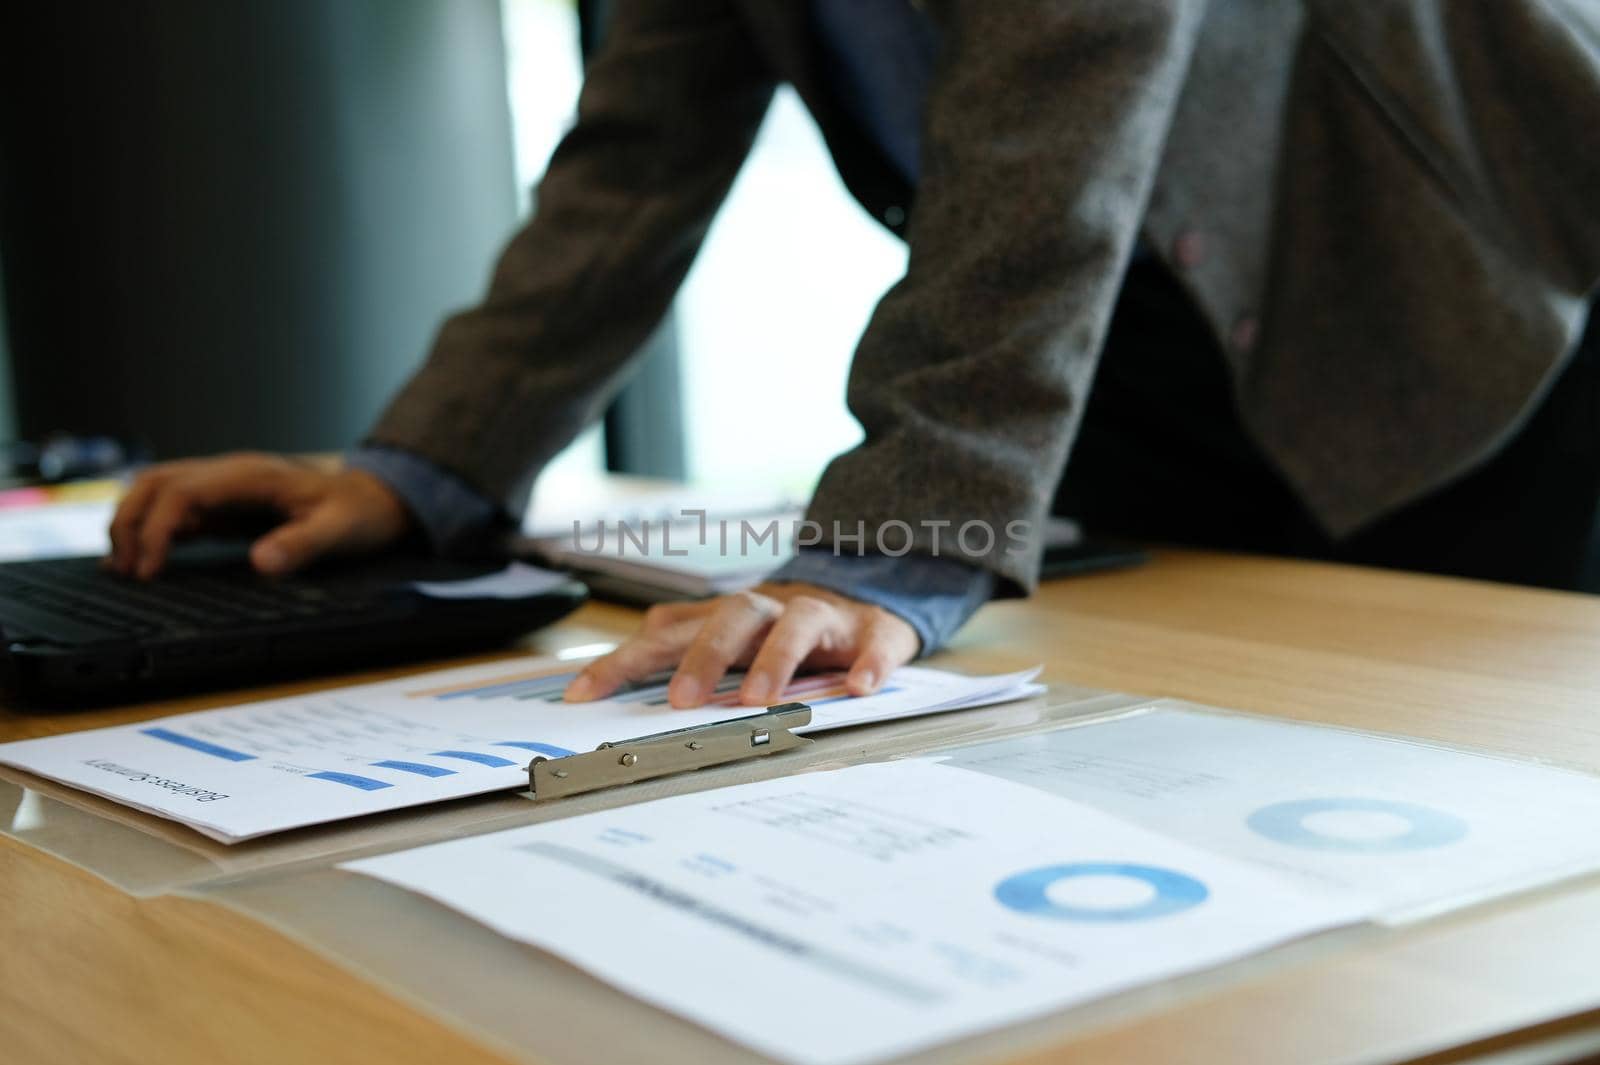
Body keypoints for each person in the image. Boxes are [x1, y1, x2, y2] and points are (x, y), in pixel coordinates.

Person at [107, 1, 1600, 708]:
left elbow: (1060, 91)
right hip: (1115, 348)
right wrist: (424, 464)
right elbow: (635, 156)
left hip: (1448, 306)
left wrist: (889, 543)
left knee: (1457, 833)